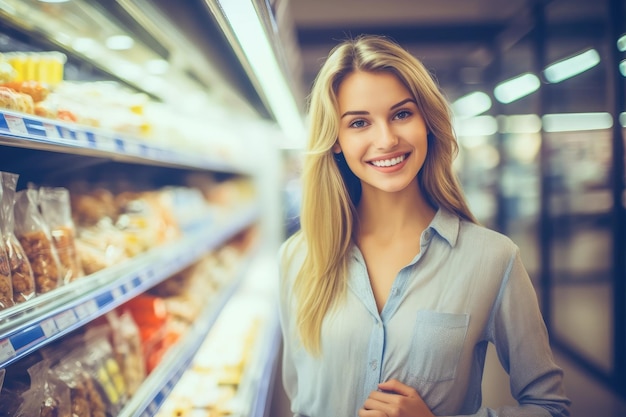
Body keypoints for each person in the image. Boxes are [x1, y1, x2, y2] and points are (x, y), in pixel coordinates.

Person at [277, 34, 570, 417]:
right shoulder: (298, 258)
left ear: (427, 122)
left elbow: (551, 407)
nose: (386, 139)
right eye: (359, 122)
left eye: (401, 114)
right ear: (335, 140)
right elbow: (300, 402)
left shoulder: (492, 259)